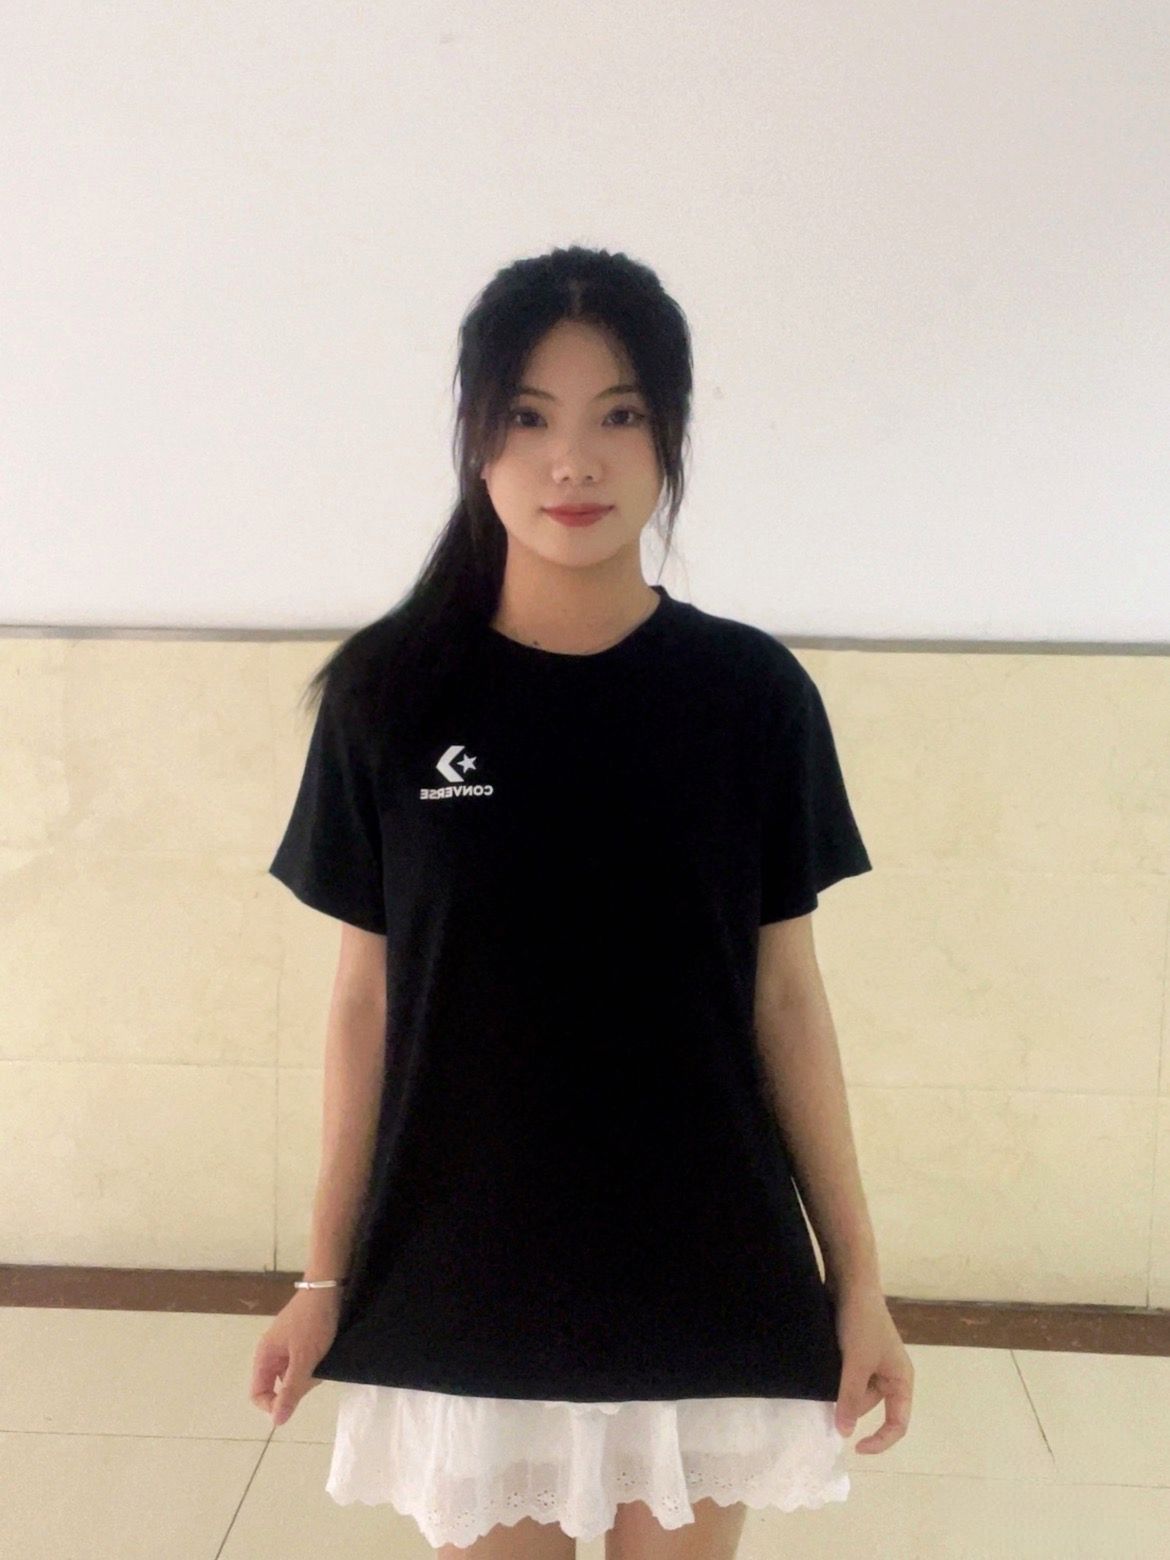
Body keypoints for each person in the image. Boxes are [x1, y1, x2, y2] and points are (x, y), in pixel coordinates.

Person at [250, 245, 914, 1557]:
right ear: (475, 438)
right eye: (528, 416)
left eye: (618, 415)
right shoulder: (390, 698)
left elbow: (786, 1000)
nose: (573, 462)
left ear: (668, 439)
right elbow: (364, 1006)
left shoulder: (750, 697)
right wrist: (323, 1278)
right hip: (464, 1265)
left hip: (705, 1259)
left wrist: (860, 1285)